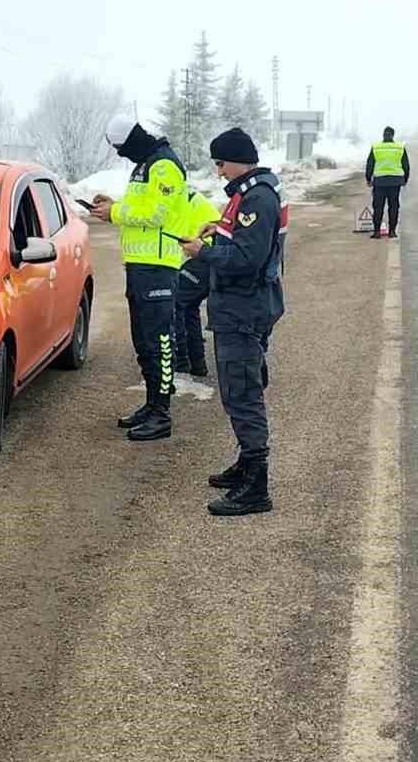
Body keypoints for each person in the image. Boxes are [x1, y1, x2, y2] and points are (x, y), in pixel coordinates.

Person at [181, 127, 284, 516]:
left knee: (243, 395)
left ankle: (256, 486)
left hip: (243, 311)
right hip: (240, 307)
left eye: (221, 163)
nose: (218, 170)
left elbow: (247, 260)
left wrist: (201, 254)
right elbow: (241, 243)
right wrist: (218, 233)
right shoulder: (247, 193)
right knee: (238, 390)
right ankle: (246, 464)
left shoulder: (256, 197)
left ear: (238, 159)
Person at [90, 114, 188, 442]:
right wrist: (114, 206)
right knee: (143, 341)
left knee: (159, 341)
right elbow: (139, 208)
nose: (120, 154)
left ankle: (162, 413)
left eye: (121, 148)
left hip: (159, 266)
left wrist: (116, 213)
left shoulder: (164, 166)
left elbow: (156, 214)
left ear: (132, 140)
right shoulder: (144, 165)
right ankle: (151, 403)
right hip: (140, 265)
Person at [175, 187, 220, 377]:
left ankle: (182, 362)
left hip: (201, 258)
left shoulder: (171, 197)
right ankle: (197, 364)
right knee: (188, 308)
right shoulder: (188, 195)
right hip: (209, 258)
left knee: (176, 304)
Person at [365, 125, 410, 239]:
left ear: (383, 135)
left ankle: (377, 232)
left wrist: (368, 178)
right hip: (395, 182)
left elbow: (370, 163)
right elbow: (406, 165)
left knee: (378, 207)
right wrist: (405, 179)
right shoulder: (399, 147)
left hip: (379, 182)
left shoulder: (376, 147)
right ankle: (392, 231)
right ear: (393, 135)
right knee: (393, 207)